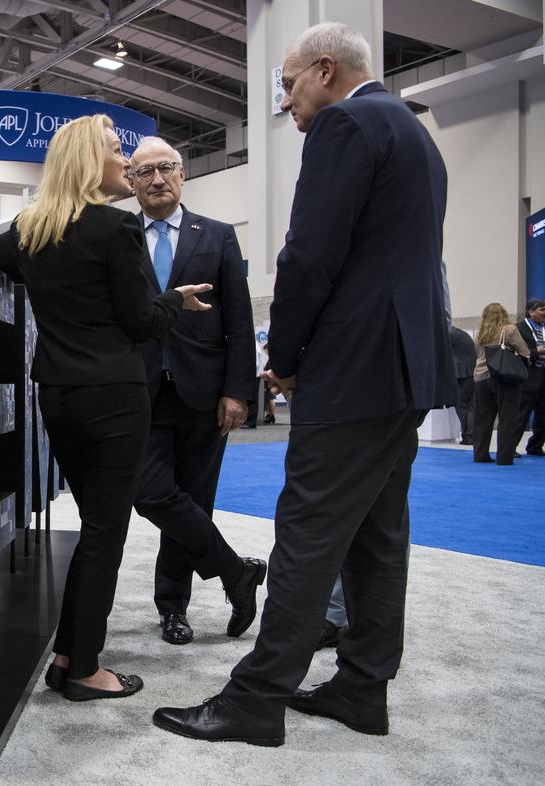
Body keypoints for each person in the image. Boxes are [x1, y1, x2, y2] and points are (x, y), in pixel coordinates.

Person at [152, 22, 455, 745]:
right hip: (405, 365)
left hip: (352, 366)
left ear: (325, 71)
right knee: (379, 534)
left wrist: (282, 356)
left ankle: (256, 699)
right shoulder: (415, 133)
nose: (284, 102)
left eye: (287, 84)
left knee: (309, 530)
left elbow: (308, 257)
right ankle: (361, 686)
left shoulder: (347, 124)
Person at [0, 115, 213, 702]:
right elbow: (140, 323)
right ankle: (83, 669)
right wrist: (173, 302)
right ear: (89, 162)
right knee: (106, 534)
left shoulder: (31, 229)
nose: (125, 162)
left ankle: (67, 656)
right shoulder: (114, 228)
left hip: (58, 395)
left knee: (96, 530)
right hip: (114, 398)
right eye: (115, 150)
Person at [122, 136, 267, 646]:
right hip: (138, 391)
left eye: (165, 169)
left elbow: (241, 321)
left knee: (195, 502)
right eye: (144, 173)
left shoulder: (219, 236)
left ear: (182, 175)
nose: (157, 180)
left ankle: (173, 609)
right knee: (151, 494)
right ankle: (235, 571)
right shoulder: (119, 235)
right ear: (131, 182)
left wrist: (238, 390)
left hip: (205, 394)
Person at [470, 302, 529, 465]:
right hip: (504, 377)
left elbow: (477, 354)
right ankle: (504, 457)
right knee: (507, 418)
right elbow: (524, 351)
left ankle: (480, 454)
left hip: (481, 378)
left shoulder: (479, 334)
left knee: (482, 419)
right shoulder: (509, 330)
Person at [513, 300, 545, 454]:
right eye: (542, 310)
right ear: (531, 311)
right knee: (521, 416)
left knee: (543, 417)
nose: (544, 313)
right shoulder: (518, 329)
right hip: (527, 378)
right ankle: (510, 448)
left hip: (543, 378)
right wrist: (536, 352)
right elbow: (516, 352)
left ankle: (535, 446)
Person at [449, 324, 477, 444]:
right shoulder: (458, 332)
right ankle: (472, 436)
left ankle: (469, 436)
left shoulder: (449, 334)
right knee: (470, 405)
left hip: (462, 372)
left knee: (461, 404)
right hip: (470, 371)